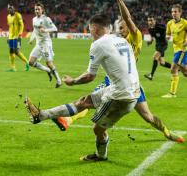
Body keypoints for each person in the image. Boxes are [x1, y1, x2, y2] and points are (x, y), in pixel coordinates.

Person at [52, 0, 184, 143]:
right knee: (88, 101)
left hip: (131, 83)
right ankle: (68, 120)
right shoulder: (116, 40)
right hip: (115, 81)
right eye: (117, 28)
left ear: (128, 26)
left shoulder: (135, 37)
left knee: (147, 116)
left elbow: (127, 18)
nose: (119, 31)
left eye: (122, 28)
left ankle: (167, 132)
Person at [25, 14, 140, 161]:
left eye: (90, 30)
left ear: (95, 29)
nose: (90, 33)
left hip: (120, 96)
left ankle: (101, 156)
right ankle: (41, 115)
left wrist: (72, 82)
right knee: (83, 102)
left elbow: (89, 77)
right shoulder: (121, 40)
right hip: (127, 89)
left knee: (97, 129)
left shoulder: (98, 44)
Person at [28, 2, 62, 88]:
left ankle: (59, 80)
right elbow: (35, 31)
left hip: (46, 44)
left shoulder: (46, 19)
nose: (36, 11)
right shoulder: (34, 19)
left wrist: (45, 30)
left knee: (49, 63)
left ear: (42, 10)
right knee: (31, 62)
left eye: (38, 9)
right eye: (35, 9)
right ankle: (47, 70)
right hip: (38, 44)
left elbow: (55, 28)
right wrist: (31, 39)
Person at [161, 4, 187, 98]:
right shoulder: (169, 23)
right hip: (176, 50)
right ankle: (172, 93)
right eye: (172, 12)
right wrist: (167, 37)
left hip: (183, 49)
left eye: (175, 12)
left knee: (173, 69)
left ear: (180, 12)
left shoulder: (185, 23)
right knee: (184, 72)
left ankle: (172, 93)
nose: (173, 13)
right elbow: (167, 34)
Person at [144, 16, 171, 80]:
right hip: (158, 45)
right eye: (149, 21)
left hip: (163, 44)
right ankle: (176, 68)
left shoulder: (160, 26)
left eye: (151, 20)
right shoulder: (150, 29)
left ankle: (151, 75)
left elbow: (169, 29)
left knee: (155, 57)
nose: (150, 22)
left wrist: (169, 35)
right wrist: (150, 42)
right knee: (162, 63)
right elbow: (153, 37)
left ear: (155, 21)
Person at [6, 4, 30, 72]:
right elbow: (10, 27)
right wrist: (8, 36)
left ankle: (27, 62)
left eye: (11, 8)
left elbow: (22, 25)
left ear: (14, 9)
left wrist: (20, 33)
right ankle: (13, 67)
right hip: (11, 36)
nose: (10, 10)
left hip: (17, 36)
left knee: (16, 51)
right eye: (9, 9)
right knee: (11, 51)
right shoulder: (8, 16)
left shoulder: (18, 15)